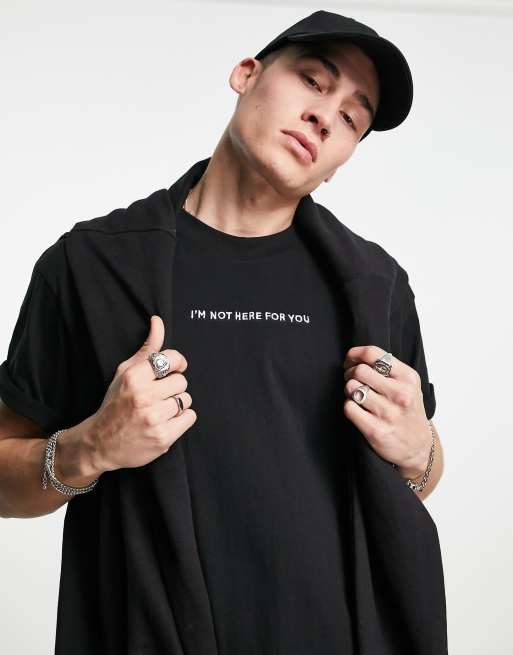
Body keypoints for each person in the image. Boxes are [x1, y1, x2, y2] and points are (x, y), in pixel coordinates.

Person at [0, 10, 447, 655]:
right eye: (313, 82)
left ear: (341, 160)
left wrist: (419, 450)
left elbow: (420, 476)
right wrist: (89, 447)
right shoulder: (91, 266)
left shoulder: (376, 286)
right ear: (246, 74)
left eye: (352, 118)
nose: (325, 117)